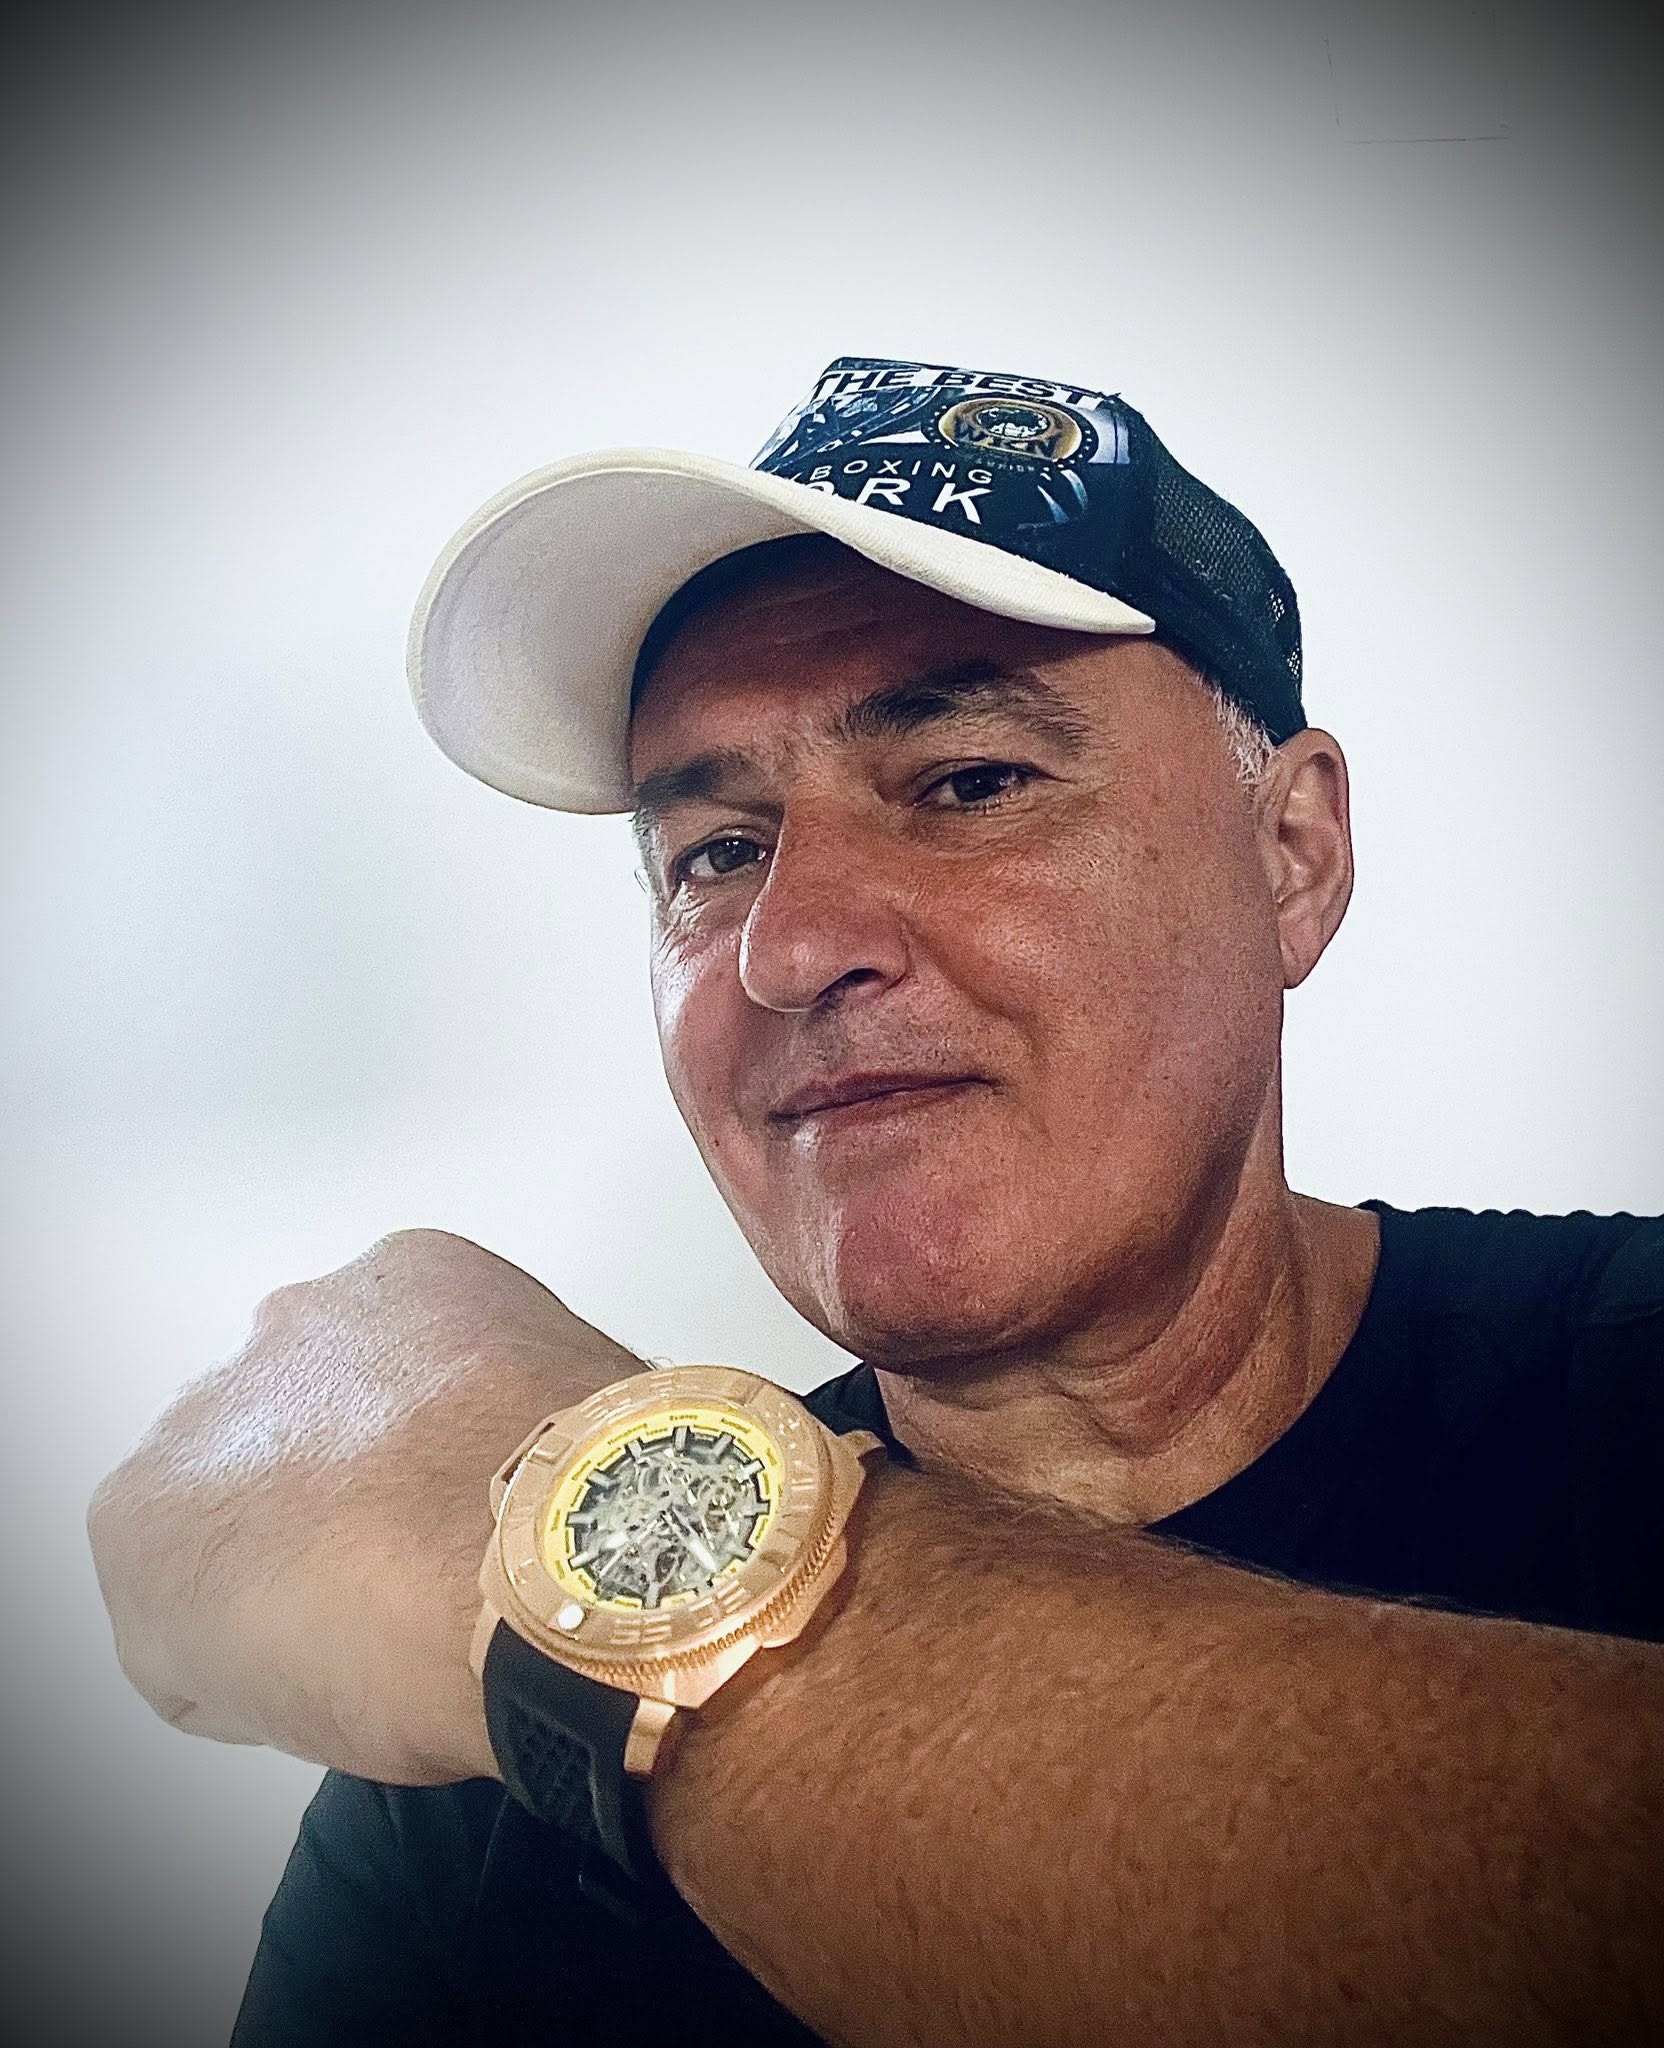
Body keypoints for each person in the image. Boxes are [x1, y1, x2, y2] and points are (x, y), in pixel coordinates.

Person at [88, 356, 1663, 2047]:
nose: (790, 946)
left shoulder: (1628, 1399)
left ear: (1293, 855)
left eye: (969, 782)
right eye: (717, 853)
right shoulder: (479, 1772)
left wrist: (604, 1528)